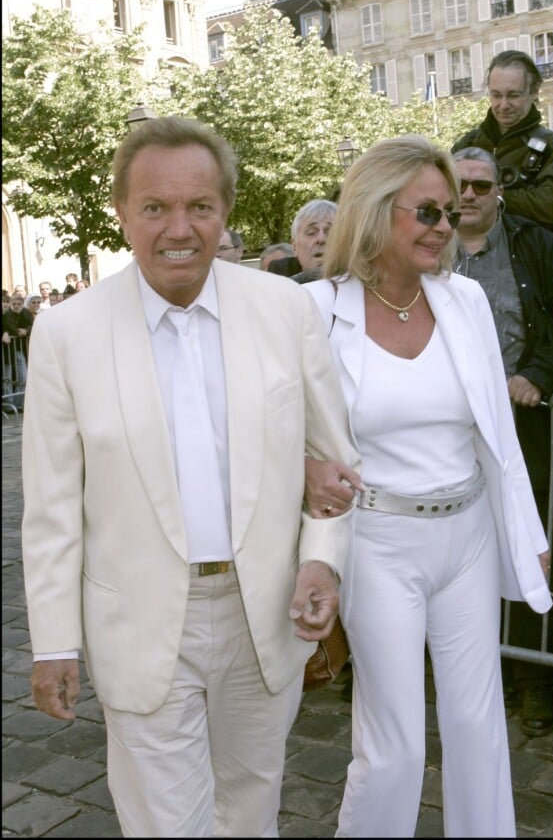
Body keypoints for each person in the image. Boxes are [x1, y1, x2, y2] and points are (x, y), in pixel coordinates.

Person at [21, 116, 359, 838]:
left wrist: (321, 565)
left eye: (199, 207)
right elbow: (51, 508)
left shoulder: (284, 309)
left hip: (263, 611)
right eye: (155, 208)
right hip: (139, 621)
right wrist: (54, 641)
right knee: (168, 825)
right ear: (122, 212)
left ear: (224, 211)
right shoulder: (67, 332)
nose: (180, 228)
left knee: (250, 808)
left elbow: (333, 467)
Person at [301, 134, 552, 838]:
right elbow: (285, 429)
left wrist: (524, 536)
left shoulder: (463, 300)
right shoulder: (319, 309)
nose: (447, 227)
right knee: (395, 744)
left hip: (467, 535)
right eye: (428, 214)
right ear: (377, 213)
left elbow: (497, 436)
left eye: (448, 213)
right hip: (378, 540)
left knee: (478, 725)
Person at [451, 145, 553, 735]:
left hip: (532, 428)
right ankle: (482, 672)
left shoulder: (537, 245)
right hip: (451, 436)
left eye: (481, 184)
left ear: (500, 190)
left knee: (535, 549)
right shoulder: (424, 247)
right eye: (460, 185)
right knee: (463, 552)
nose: (469, 195)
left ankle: (534, 683)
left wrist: (539, 375)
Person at [451, 50, 553, 254]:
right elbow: (444, 194)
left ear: (534, 91)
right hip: (473, 256)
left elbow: (552, 207)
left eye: (513, 95)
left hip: (535, 261)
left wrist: (491, 197)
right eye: (496, 95)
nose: (503, 105)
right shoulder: (467, 144)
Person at [268, 199, 337, 280]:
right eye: (311, 232)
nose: (321, 239)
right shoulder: (277, 286)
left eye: (330, 232)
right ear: (295, 248)